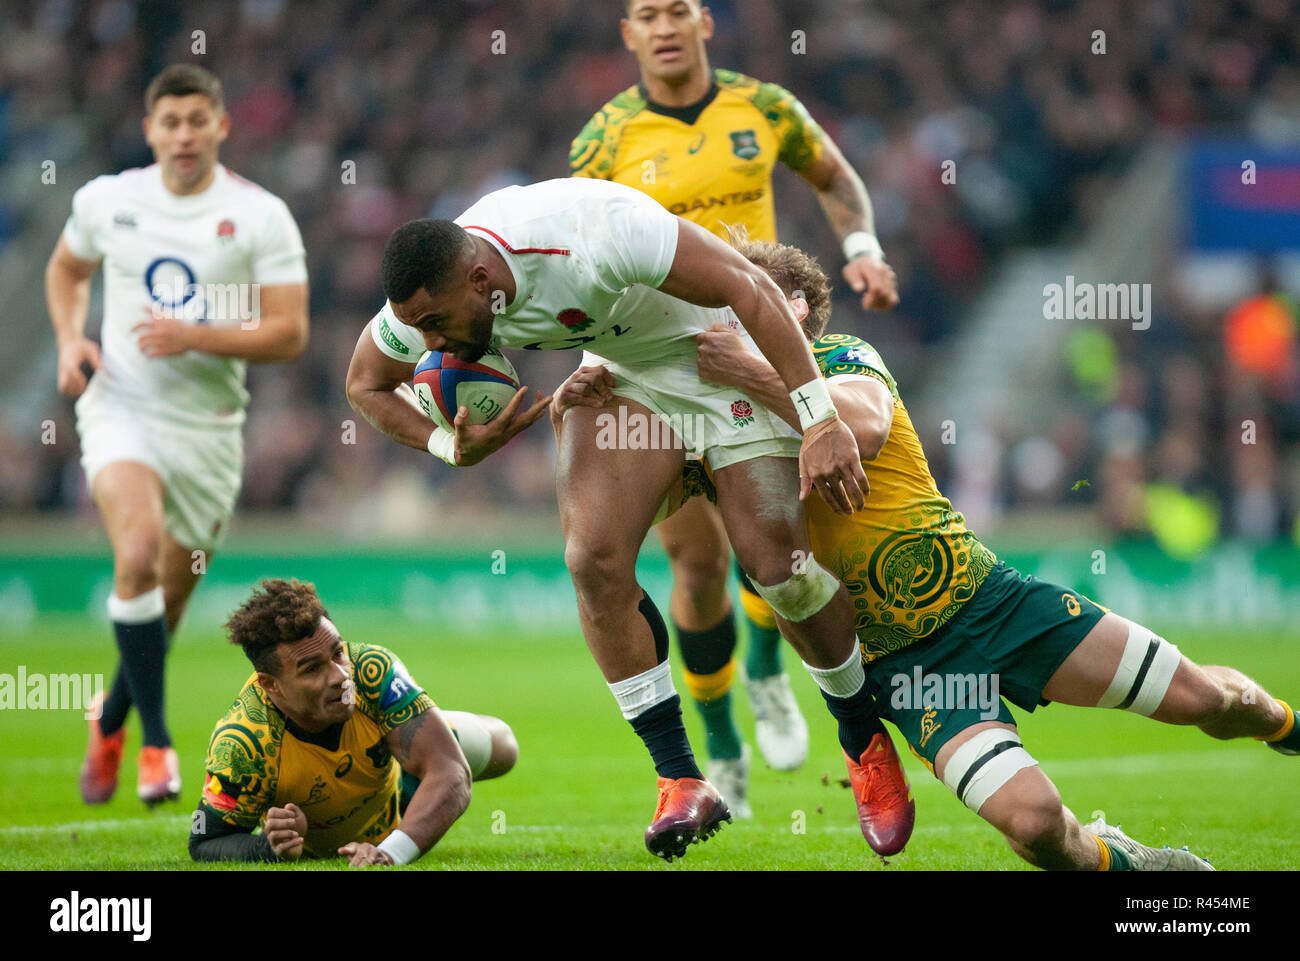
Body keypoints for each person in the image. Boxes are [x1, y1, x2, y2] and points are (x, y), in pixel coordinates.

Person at [559, 226, 1299, 870]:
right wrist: (606, 404)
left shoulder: (843, 356)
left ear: (793, 313)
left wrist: (749, 369)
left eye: (747, 300)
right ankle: (1130, 864)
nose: (727, 315)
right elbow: (621, 521)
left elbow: (865, 426)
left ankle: (1290, 725)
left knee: (1212, 698)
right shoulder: (706, 425)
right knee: (1038, 827)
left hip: (995, 602)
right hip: (907, 670)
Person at [345, 176, 912, 861]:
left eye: (437, 324)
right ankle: (679, 775)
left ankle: (861, 735)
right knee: (592, 559)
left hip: (715, 346)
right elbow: (365, 382)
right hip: (623, 372)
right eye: (421, 328)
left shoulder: (595, 234)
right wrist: (447, 446)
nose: (430, 343)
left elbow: (749, 286)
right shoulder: (427, 298)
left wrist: (820, 419)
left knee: (778, 571)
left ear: (480, 277)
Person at [570, 0, 901, 821]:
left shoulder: (765, 106)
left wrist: (863, 249)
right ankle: (720, 746)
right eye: (648, 14)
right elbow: (579, 251)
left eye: (679, 8)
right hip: (657, 361)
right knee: (696, 563)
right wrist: (587, 354)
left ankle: (767, 673)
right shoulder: (605, 137)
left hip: (753, 347)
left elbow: (835, 176)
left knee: (773, 549)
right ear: (630, 34)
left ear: (705, 22)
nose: (666, 24)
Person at [48, 64, 310, 806]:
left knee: (162, 603)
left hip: (210, 430)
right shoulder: (109, 201)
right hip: (121, 406)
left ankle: (111, 720)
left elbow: (290, 332)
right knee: (133, 554)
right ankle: (156, 747)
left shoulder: (260, 216)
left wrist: (196, 334)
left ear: (223, 125)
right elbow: (65, 270)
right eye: (171, 122)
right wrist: (71, 339)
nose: (185, 135)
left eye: (198, 120)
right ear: (149, 130)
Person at [189, 578, 518, 866]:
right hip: (325, 832)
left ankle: (419, 739)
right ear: (271, 685)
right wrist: (269, 845)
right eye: (312, 669)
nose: (341, 676)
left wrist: (389, 853)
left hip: (399, 789)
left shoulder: (371, 669)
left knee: (503, 746)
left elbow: (453, 775)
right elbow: (205, 841)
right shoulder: (243, 741)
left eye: (337, 653)